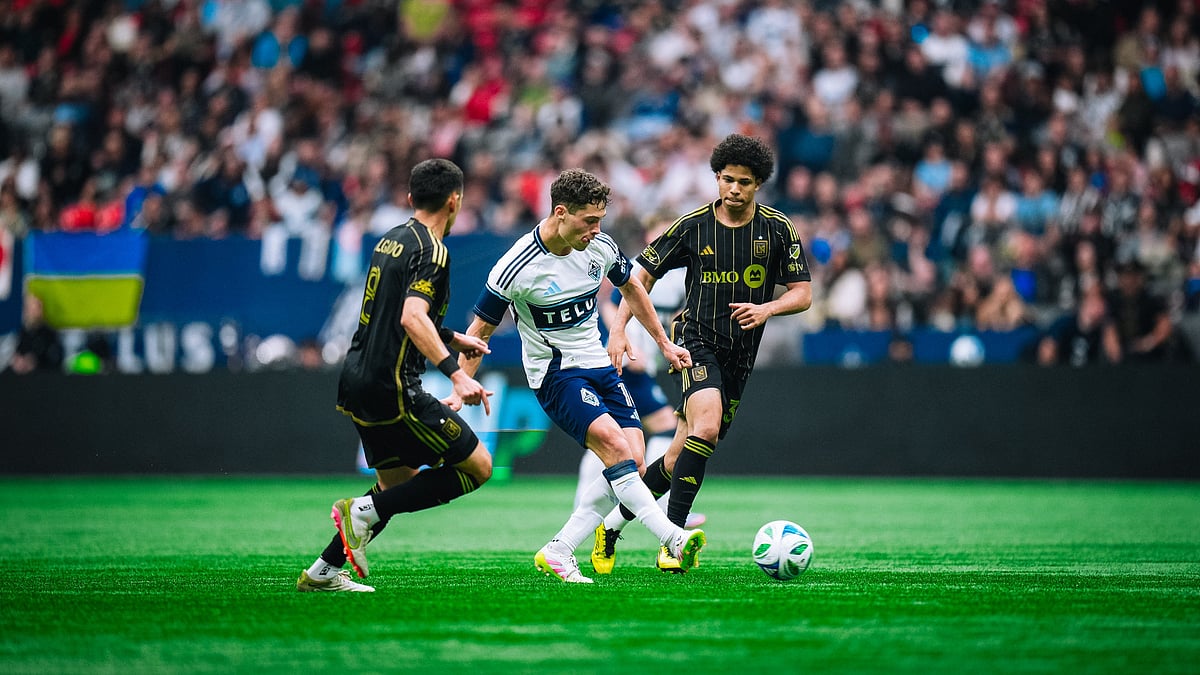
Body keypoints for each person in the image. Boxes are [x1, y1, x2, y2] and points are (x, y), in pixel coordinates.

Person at [455, 168, 706, 584]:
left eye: (600, 220)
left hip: (601, 367)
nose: (597, 230)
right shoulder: (514, 267)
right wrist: (463, 379)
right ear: (560, 213)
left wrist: (661, 343)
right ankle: (673, 537)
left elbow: (632, 288)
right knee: (615, 449)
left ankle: (559, 549)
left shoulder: (600, 247)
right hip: (556, 375)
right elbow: (478, 331)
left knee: (635, 461)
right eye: (589, 221)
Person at [596, 134, 813, 573]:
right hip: (694, 341)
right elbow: (637, 276)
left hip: (740, 358)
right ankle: (673, 541)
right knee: (707, 427)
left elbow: (803, 294)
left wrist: (768, 307)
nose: (734, 189)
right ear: (716, 178)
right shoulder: (692, 226)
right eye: (727, 180)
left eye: (744, 182)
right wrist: (619, 330)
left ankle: (610, 527)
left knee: (679, 456)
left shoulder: (778, 229)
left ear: (758, 185)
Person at [296, 158, 494, 593]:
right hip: (394, 385)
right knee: (478, 466)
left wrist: (453, 337)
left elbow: (396, 315)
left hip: (357, 378)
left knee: (396, 485)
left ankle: (323, 572)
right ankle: (360, 512)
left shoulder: (391, 239)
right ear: (454, 201)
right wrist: (455, 375)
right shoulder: (434, 250)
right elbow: (409, 317)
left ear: (410, 198)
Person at [578, 215, 706, 529]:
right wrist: (621, 338)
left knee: (609, 438)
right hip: (623, 364)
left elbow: (678, 315)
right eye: (659, 231)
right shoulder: (640, 266)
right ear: (649, 233)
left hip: (638, 365)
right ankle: (660, 503)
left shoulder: (682, 275)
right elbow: (609, 303)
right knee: (664, 428)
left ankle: (583, 510)